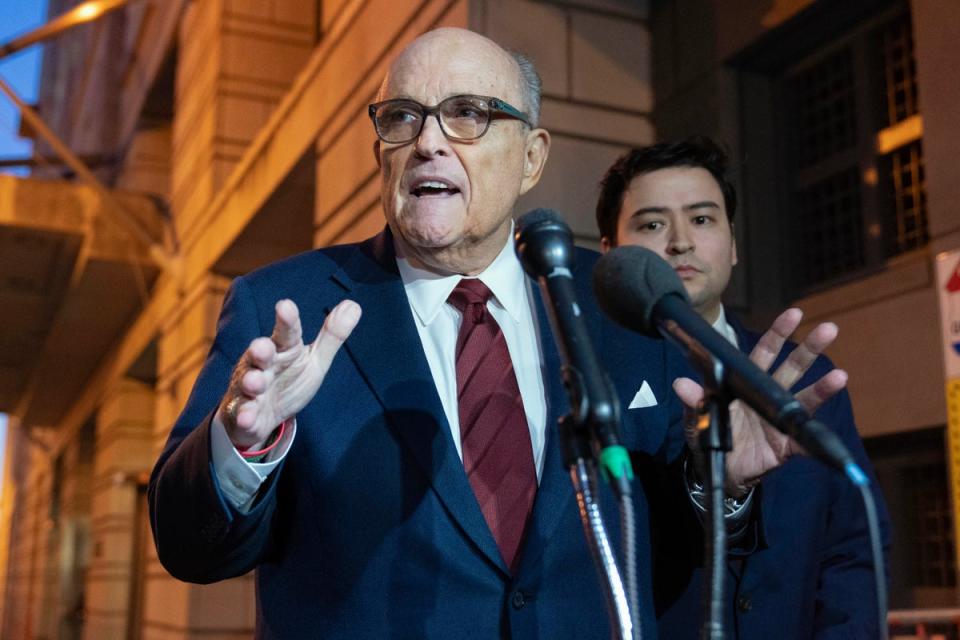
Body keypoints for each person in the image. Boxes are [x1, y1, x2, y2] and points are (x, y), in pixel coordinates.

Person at [150, 28, 850, 639]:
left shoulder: (612, 300)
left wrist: (718, 484)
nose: (428, 141)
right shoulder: (282, 308)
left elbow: (671, 546)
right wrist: (242, 449)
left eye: (468, 115)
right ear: (380, 154)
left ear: (531, 156)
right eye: (403, 117)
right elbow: (188, 549)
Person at [596, 136, 892, 639]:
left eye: (703, 218)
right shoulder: (589, 381)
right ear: (610, 257)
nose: (681, 242)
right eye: (651, 224)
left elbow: (851, 553)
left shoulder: (805, 382)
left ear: (732, 244)